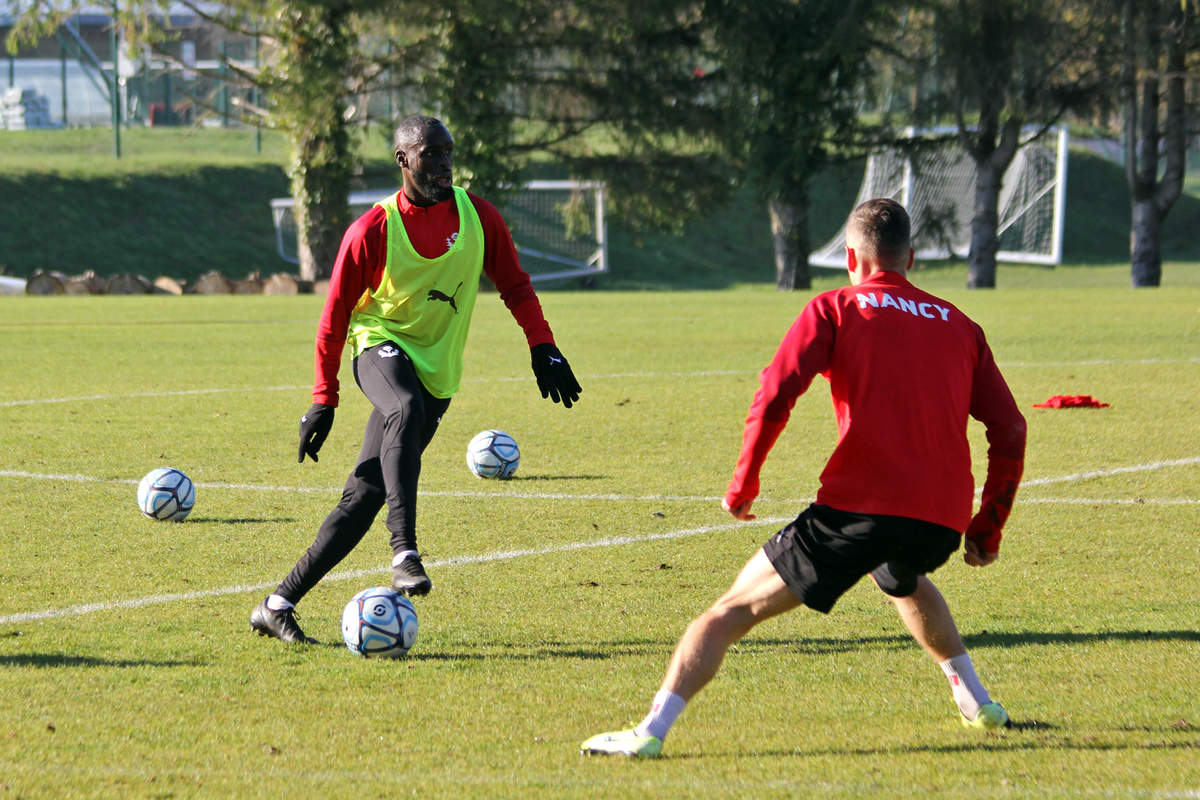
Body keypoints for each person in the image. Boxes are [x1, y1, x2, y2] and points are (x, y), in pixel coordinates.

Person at [581, 198, 1025, 757]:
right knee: (897, 575)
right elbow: (1009, 429)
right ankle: (977, 701)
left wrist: (744, 482)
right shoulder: (961, 325)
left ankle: (649, 733)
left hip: (859, 511)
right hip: (938, 524)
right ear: (909, 257)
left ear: (850, 259)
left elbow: (775, 393)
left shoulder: (837, 308)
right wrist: (988, 528)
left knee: (728, 612)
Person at [251, 114, 581, 644]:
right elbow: (334, 318)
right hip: (378, 345)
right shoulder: (373, 230)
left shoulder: (478, 217)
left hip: (438, 369)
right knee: (403, 405)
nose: (444, 163)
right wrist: (323, 398)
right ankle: (404, 551)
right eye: (431, 154)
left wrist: (544, 346)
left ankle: (277, 603)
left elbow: (516, 286)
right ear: (403, 160)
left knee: (364, 495)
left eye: (449, 152)